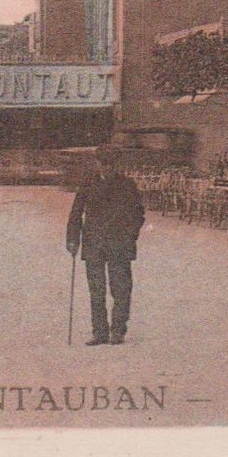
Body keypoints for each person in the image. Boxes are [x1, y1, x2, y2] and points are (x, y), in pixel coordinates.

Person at [66, 147, 146, 346]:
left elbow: (138, 214)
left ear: (117, 165)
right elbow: (76, 213)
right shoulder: (88, 184)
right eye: (104, 163)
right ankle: (99, 332)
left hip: (119, 244)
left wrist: (130, 236)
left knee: (121, 289)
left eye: (112, 164)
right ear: (98, 163)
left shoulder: (127, 185)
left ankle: (118, 330)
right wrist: (72, 239)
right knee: (96, 290)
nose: (108, 168)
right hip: (94, 244)